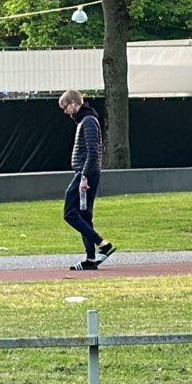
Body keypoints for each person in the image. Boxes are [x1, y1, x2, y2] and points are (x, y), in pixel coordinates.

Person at [60, 89, 115, 270]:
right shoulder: (84, 120)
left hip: (86, 174)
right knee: (84, 215)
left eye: (65, 107)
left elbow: (93, 152)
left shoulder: (89, 121)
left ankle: (103, 244)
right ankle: (91, 258)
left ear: (74, 103)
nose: (65, 112)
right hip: (85, 172)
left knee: (69, 212)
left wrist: (84, 177)